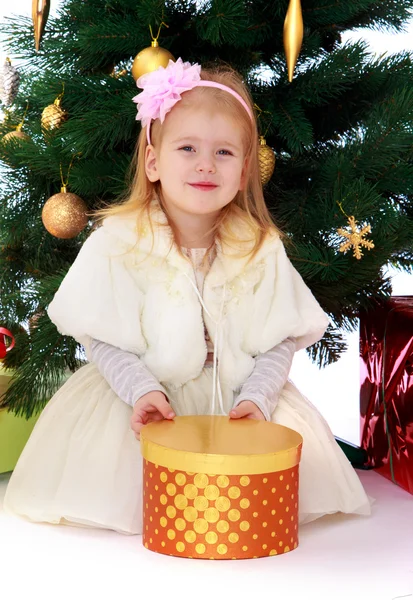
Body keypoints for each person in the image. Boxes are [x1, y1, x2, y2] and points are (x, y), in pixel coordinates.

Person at [4, 58, 371, 534]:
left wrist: (259, 399)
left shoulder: (258, 247)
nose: (204, 164)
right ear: (154, 162)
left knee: (264, 477)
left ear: (243, 172)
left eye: (223, 153)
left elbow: (279, 338)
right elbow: (101, 338)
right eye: (188, 148)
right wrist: (142, 390)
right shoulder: (120, 241)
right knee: (138, 475)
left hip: (238, 395)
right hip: (140, 394)